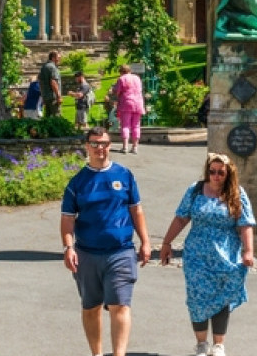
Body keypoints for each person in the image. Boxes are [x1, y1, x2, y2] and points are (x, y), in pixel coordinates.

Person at [62, 128, 151, 356]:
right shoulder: (77, 182)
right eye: (94, 144)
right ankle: (97, 353)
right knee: (91, 307)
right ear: (87, 146)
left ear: (110, 145)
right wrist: (69, 247)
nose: (99, 148)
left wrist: (145, 241)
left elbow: (136, 210)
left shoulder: (124, 175)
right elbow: (67, 219)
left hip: (121, 251)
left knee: (120, 305)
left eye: (103, 143)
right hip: (87, 253)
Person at [159, 153, 257, 356]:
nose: (216, 176)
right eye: (212, 172)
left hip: (226, 255)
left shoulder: (236, 193)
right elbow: (181, 218)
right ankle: (202, 344)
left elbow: (245, 224)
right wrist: (167, 243)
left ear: (228, 174)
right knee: (197, 298)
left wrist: (248, 251)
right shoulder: (195, 190)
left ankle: (219, 344)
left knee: (221, 297)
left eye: (221, 172)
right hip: (196, 255)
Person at [110, 65, 146, 154]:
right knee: (136, 125)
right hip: (138, 103)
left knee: (125, 125)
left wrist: (113, 90)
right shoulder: (137, 78)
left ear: (121, 72)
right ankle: (135, 147)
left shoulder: (122, 78)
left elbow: (117, 91)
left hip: (126, 103)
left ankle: (125, 147)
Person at [39, 51, 63, 118]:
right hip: (53, 97)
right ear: (53, 58)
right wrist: (58, 96)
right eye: (58, 57)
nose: (59, 59)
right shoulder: (53, 67)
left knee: (48, 118)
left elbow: (40, 81)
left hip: (46, 97)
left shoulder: (44, 67)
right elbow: (53, 82)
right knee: (57, 118)